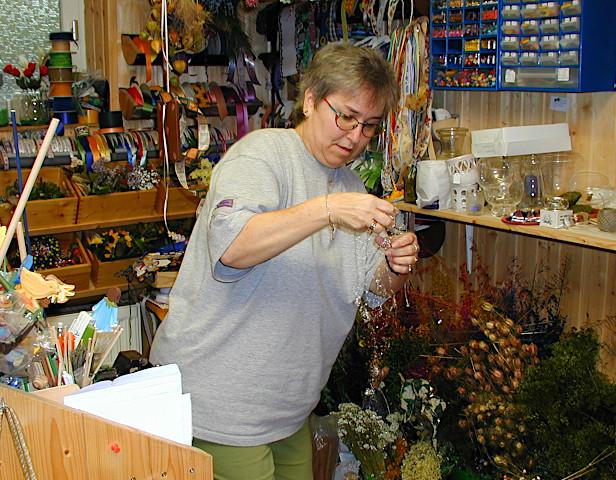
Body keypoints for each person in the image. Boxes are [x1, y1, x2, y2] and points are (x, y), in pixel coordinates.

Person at [149, 41, 419, 480]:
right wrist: (327, 209)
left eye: (369, 126)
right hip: (223, 406)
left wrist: (394, 265)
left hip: (287, 409)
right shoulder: (260, 155)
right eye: (346, 117)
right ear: (310, 99)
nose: (355, 137)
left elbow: (371, 293)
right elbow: (233, 247)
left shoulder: (351, 187)